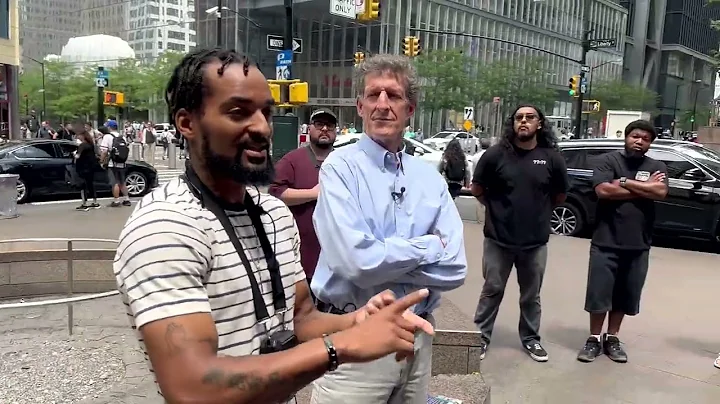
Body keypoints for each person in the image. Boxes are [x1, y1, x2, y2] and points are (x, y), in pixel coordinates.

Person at [114, 48, 435, 404]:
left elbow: (302, 319)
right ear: (187, 123)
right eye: (239, 112)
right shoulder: (165, 225)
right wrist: (340, 346)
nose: (262, 128)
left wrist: (359, 321)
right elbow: (192, 387)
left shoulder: (274, 215)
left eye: (265, 112)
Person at [310, 53, 467, 404]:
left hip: (417, 336)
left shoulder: (429, 178)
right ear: (360, 106)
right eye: (373, 95)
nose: (382, 104)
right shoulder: (340, 168)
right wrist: (429, 246)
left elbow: (456, 268)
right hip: (356, 335)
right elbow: (357, 264)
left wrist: (383, 255)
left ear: (409, 109)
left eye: (393, 95)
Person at [471, 104, 569, 363]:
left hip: (535, 243)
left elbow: (559, 195)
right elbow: (477, 188)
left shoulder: (552, 158)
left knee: (530, 296)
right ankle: (479, 337)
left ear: (540, 124)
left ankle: (531, 339)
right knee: (492, 289)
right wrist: (497, 211)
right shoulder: (495, 155)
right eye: (519, 118)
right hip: (498, 239)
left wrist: (538, 213)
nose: (523, 121)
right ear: (513, 123)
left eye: (530, 117)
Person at [576, 120, 668, 364]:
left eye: (645, 139)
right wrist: (645, 187)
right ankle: (594, 338)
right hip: (605, 240)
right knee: (599, 292)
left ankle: (612, 338)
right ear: (626, 137)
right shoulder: (607, 161)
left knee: (625, 294)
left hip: (638, 243)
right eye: (635, 136)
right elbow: (604, 191)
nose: (639, 142)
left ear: (650, 144)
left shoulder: (656, 166)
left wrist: (625, 182)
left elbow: (660, 192)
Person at [269, 109, 337, 296]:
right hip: (302, 259)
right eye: (319, 124)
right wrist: (313, 194)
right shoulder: (292, 160)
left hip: (337, 259)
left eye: (329, 125)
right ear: (309, 129)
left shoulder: (345, 161)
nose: (324, 129)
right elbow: (275, 193)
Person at [99, 120, 131, 207]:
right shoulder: (122, 137)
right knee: (122, 182)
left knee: (115, 183)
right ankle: (126, 199)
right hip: (122, 163)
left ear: (109, 127)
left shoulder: (107, 136)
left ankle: (116, 201)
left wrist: (101, 161)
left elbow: (104, 151)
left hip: (112, 163)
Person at [74, 125, 100, 211]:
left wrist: (74, 154)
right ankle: (95, 202)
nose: (77, 137)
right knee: (91, 184)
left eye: (78, 135)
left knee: (83, 186)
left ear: (82, 136)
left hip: (83, 168)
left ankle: (84, 204)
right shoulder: (90, 144)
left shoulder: (82, 145)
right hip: (91, 167)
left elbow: (78, 156)